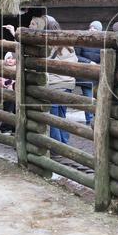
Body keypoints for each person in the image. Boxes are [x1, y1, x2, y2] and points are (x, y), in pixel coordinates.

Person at [43, 16, 77, 144]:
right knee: (62, 115)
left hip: (55, 86)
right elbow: (76, 61)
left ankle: (56, 145)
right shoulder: (69, 46)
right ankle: (64, 142)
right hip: (68, 85)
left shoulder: (49, 47)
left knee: (53, 118)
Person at [75, 20, 102, 126]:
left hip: (97, 76)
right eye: (90, 27)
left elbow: (105, 57)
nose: (91, 29)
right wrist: (89, 62)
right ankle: (89, 122)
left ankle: (97, 122)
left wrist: (99, 64)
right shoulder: (82, 40)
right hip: (85, 75)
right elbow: (76, 56)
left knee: (98, 100)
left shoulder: (102, 43)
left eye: (94, 28)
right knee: (88, 100)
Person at [0, 52, 16, 134]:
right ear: (5, 59)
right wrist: (4, 83)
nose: (10, 60)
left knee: (16, 112)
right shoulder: (3, 69)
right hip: (7, 96)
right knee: (8, 111)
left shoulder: (18, 69)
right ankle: (5, 129)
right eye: (8, 58)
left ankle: (14, 129)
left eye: (12, 58)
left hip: (17, 96)